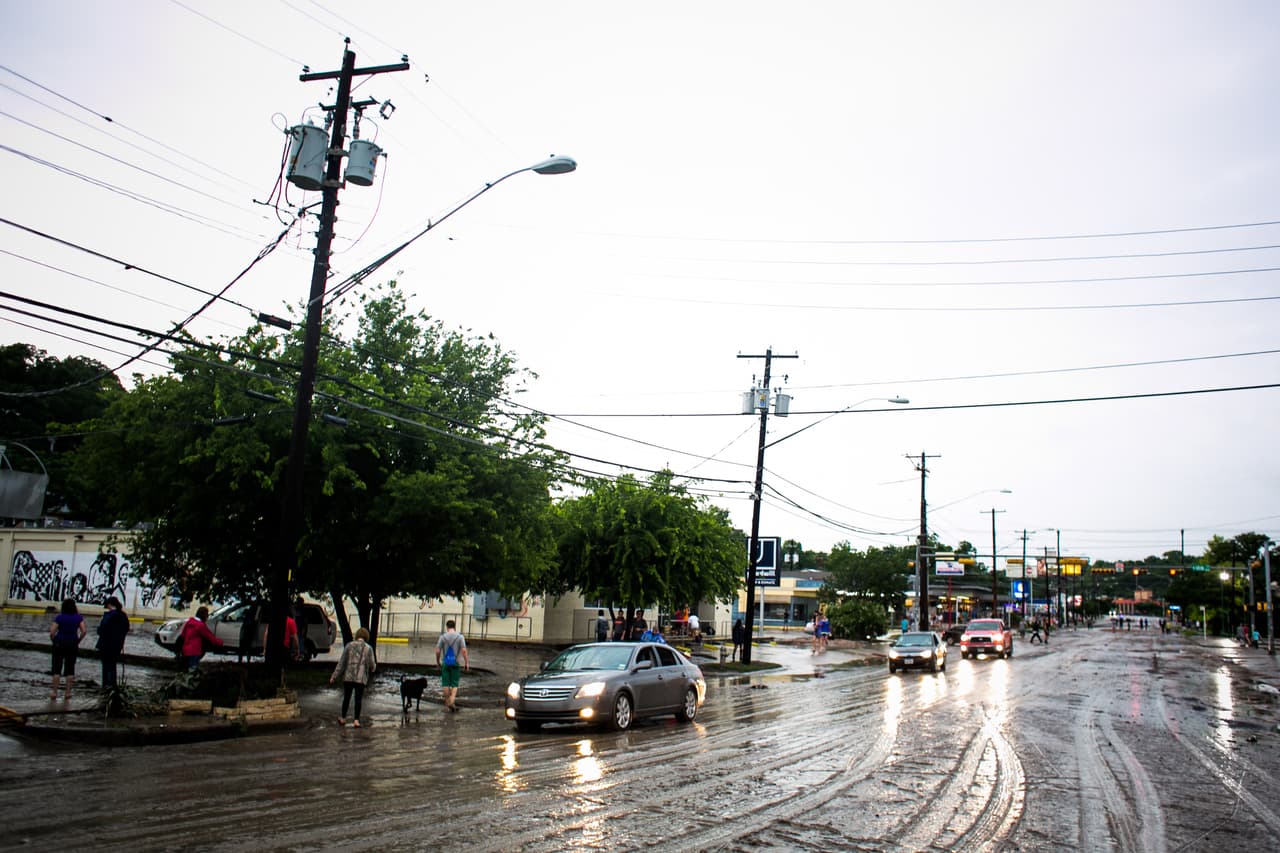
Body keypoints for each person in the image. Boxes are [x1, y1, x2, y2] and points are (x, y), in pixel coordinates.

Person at [330, 627, 376, 727]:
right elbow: (372, 664)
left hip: (348, 676)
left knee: (346, 697)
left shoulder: (349, 646)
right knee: (358, 698)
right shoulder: (368, 648)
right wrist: (372, 669)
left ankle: (343, 718)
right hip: (361, 677)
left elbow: (341, 663)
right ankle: (356, 720)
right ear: (366, 637)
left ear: (357, 635)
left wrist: (334, 676)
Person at [49, 598, 87, 701]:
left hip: (59, 643)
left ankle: (54, 692)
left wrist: (54, 641)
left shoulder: (60, 617)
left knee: (57, 668)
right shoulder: (78, 617)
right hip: (72, 643)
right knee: (70, 668)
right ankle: (68, 693)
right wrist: (78, 641)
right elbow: (84, 631)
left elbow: (52, 632)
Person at [95, 596, 130, 689]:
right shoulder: (123, 615)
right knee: (112, 665)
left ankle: (106, 685)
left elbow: (102, 629)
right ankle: (112, 685)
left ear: (110, 605)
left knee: (106, 666)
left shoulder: (108, 616)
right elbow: (126, 628)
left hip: (106, 644)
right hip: (117, 644)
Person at [435, 619, 469, 712]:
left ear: (447, 627)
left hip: (445, 663)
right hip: (456, 663)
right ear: (454, 627)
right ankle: (452, 701)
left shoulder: (442, 637)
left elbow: (437, 651)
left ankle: (447, 705)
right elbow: (464, 651)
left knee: (445, 683)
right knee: (454, 684)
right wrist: (466, 662)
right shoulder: (460, 637)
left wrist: (438, 662)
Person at [180, 606, 223, 671]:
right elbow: (209, 636)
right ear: (204, 616)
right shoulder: (200, 625)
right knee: (193, 669)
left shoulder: (189, 622)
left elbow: (183, 635)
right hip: (195, 650)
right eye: (207, 615)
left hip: (186, 649)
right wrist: (220, 642)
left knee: (187, 668)